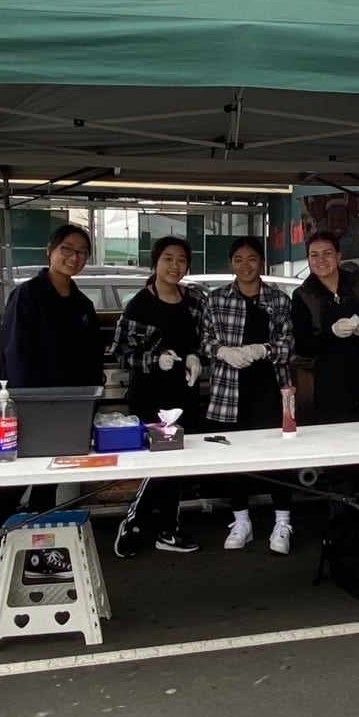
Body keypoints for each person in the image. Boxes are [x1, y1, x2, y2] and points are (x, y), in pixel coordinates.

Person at [0, 224, 106, 605]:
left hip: (71, 409)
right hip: (30, 408)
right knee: (13, 485)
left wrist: (88, 398)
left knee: (49, 484)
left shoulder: (82, 303)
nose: (74, 257)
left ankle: (35, 551)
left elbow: (91, 356)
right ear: (50, 250)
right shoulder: (26, 296)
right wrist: (29, 403)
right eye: (67, 249)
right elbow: (16, 355)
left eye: (82, 252)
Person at [200, 236, 297, 554]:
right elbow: (205, 342)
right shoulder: (215, 300)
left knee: (280, 456)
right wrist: (223, 351)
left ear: (262, 263)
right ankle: (241, 520)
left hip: (270, 387)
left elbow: (289, 346)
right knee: (234, 457)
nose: (245, 265)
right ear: (231, 264)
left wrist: (263, 348)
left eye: (252, 258)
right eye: (239, 259)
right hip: (230, 390)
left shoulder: (279, 300)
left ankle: (282, 521)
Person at [110, 236, 205, 557]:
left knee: (177, 462)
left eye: (181, 260)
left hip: (184, 393)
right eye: (167, 259)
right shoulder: (139, 304)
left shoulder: (193, 301)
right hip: (151, 395)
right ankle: (135, 521)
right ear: (155, 263)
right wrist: (154, 360)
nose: (174, 266)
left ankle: (167, 528)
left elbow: (200, 341)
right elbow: (121, 352)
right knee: (164, 461)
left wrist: (194, 357)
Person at [290, 230, 359, 424]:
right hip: (330, 380)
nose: (321, 260)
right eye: (314, 255)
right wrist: (332, 333)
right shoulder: (303, 295)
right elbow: (303, 346)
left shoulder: (358, 284)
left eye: (327, 253)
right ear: (308, 259)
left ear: (338, 256)